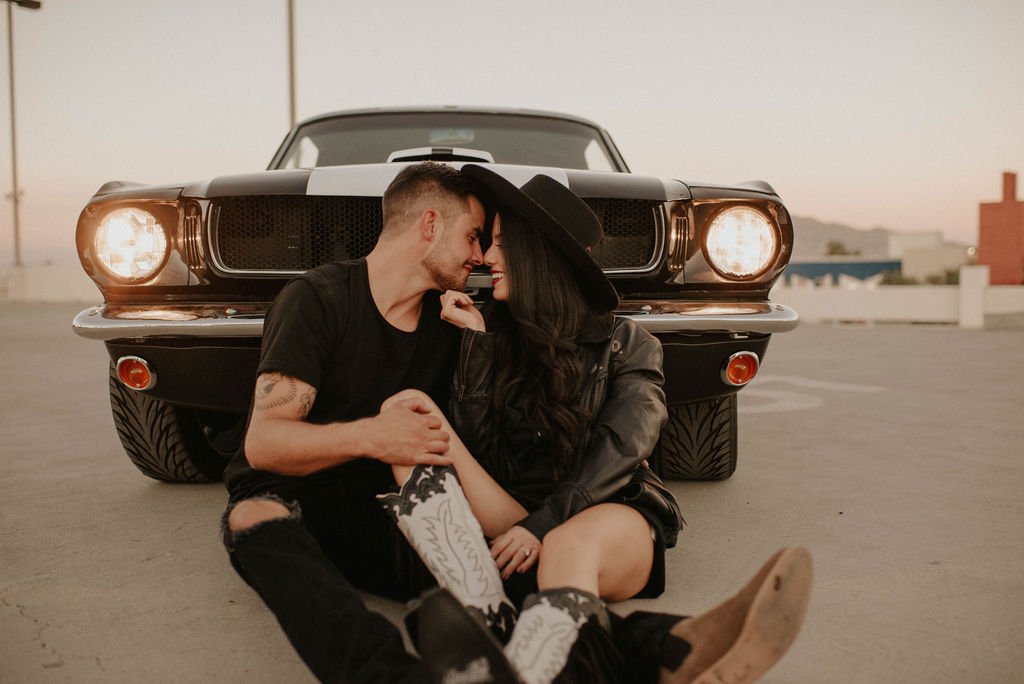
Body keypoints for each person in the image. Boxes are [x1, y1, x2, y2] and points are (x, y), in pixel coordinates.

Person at [376, 165, 814, 684]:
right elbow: (480, 454)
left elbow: (627, 443)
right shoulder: (485, 332)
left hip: (602, 514)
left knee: (568, 545)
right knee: (406, 412)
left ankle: (523, 655)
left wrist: (544, 526)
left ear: (538, 253)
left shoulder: (627, 344)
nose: (485, 258)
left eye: (497, 243)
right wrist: (475, 348)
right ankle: (504, 617)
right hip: (511, 521)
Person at [220, 161, 492, 682]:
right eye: (472, 236)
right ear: (430, 225)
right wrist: (376, 436)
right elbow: (264, 444)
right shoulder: (318, 299)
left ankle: (651, 652)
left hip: (381, 507)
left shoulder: (452, 321)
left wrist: (479, 343)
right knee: (254, 520)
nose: (479, 257)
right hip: (290, 493)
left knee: (497, 569)